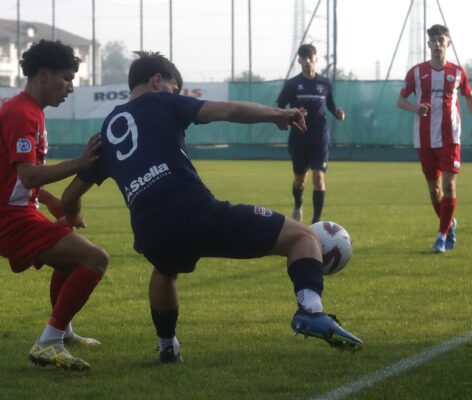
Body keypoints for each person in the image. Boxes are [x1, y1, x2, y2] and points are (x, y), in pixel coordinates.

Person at [61, 51, 363, 364]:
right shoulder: (162, 101)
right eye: (174, 88)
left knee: (165, 269)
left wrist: (74, 215)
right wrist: (278, 114)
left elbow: (70, 198)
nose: (176, 95)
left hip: (150, 232)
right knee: (303, 237)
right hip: (196, 212)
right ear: (156, 81)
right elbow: (228, 109)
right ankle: (311, 310)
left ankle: (167, 346)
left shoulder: (107, 131)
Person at [0, 39, 108, 371]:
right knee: (95, 259)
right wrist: (81, 162)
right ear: (43, 74)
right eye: (66, 78)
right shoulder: (21, 113)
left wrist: (52, 203)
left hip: (17, 213)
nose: (69, 87)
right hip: (9, 220)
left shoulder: (30, 111)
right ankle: (48, 342)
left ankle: (61, 332)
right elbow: (27, 174)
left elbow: (19, 179)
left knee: (70, 260)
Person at [397, 24, 472, 253]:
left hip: (451, 138)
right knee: (435, 192)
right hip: (425, 139)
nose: (438, 44)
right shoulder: (417, 72)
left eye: (442, 40)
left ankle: (441, 236)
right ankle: (449, 223)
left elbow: (468, 96)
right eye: (434, 41)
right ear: (428, 44)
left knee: (449, 187)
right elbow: (400, 101)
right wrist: (416, 108)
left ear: (448, 44)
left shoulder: (458, 72)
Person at [277, 44, 345, 224]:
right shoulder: (292, 84)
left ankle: (316, 222)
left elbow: (330, 105)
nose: (307, 61)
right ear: (299, 60)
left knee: (318, 176)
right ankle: (298, 204)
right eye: (303, 58)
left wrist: (337, 113)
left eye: (310, 57)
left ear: (316, 58)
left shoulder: (325, 83)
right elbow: (280, 107)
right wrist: (285, 118)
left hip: (319, 137)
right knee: (300, 180)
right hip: (299, 138)